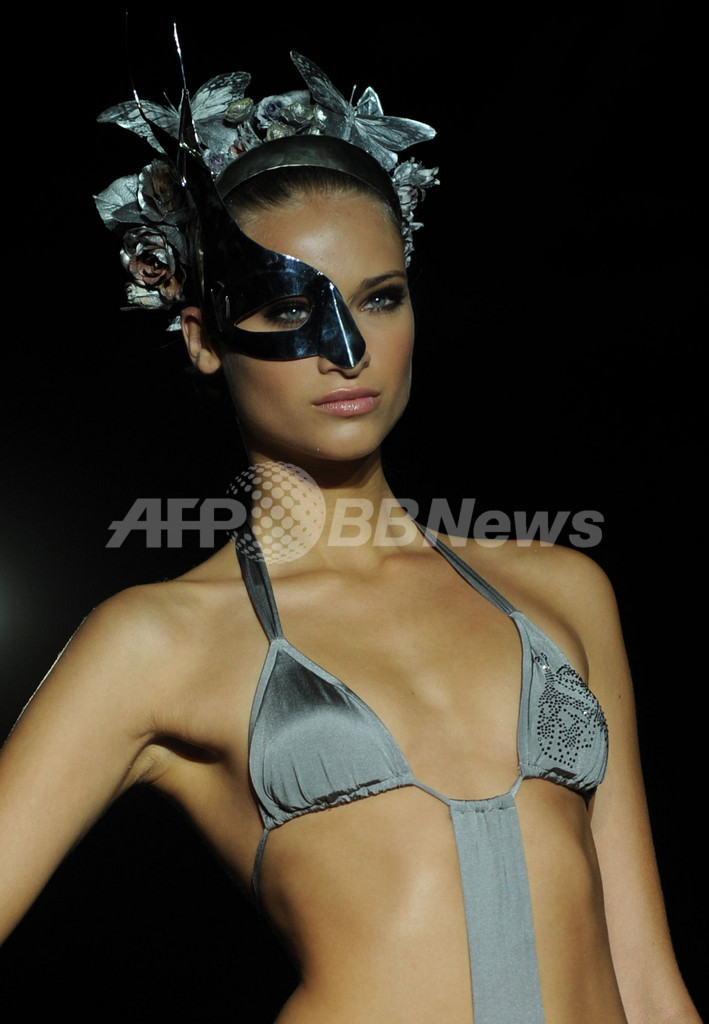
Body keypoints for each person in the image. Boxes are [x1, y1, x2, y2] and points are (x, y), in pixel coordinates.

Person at [0, 44, 701, 1024]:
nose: (349, 349)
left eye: (380, 297)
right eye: (291, 307)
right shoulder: (158, 640)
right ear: (201, 337)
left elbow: (650, 984)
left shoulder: (562, 590)